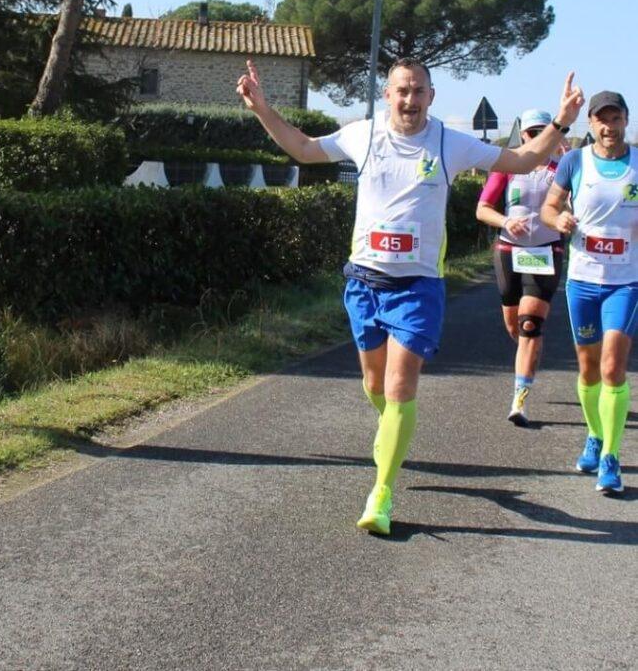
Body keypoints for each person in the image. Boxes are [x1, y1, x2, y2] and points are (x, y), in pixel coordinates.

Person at [236, 58, 583, 534]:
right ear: (388, 95)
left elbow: (520, 160)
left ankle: (381, 493)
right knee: (375, 388)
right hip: (364, 280)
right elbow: (302, 147)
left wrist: (563, 121)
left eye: (419, 91)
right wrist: (261, 108)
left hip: (418, 287)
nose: (410, 100)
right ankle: (391, 432)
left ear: (431, 96)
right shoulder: (364, 135)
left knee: (400, 388)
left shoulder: (449, 142)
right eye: (402, 90)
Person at [541, 90, 637, 495]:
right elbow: (548, 207)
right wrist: (558, 218)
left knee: (613, 367)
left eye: (615, 119)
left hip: (626, 282)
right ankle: (595, 435)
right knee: (588, 368)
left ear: (626, 121)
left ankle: (611, 456)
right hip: (581, 280)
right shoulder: (574, 161)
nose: (608, 127)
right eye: (601, 119)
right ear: (591, 124)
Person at [475, 108, 569, 426]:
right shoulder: (508, 168)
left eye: (544, 131)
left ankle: (519, 401)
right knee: (515, 326)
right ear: (523, 136)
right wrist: (505, 221)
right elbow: (483, 208)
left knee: (530, 325)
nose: (537, 137)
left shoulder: (562, 170)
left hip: (546, 251)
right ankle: (528, 353)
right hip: (508, 252)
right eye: (531, 132)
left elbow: (574, 207)